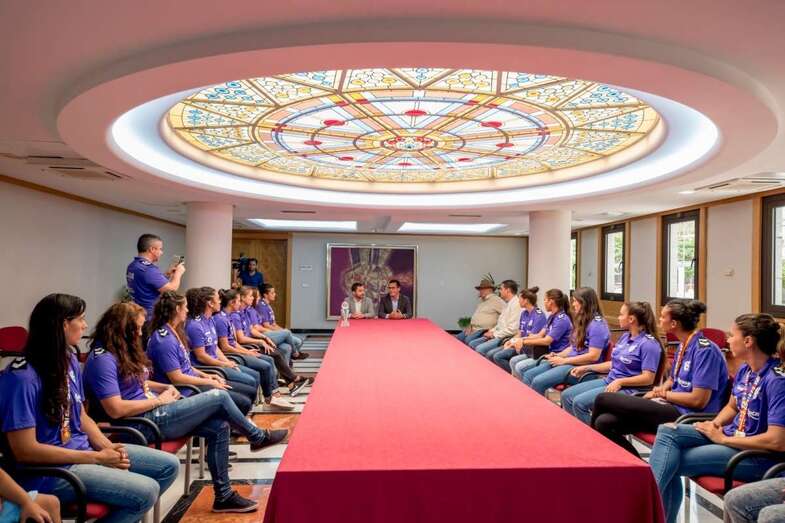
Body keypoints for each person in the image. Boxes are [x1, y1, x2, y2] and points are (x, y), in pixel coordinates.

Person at [83, 302, 287, 513]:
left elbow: (138, 383)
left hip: (153, 411)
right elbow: (116, 409)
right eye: (136, 328)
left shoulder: (121, 351)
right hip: (141, 423)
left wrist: (165, 388)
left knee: (218, 425)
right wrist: (159, 400)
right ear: (121, 329)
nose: (139, 333)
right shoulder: (103, 359)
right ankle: (256, 436)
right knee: (218, 396)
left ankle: (224, 496)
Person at [0, 294, 179, 523]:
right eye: (81, 319)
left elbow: (81, 414)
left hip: (82, 452)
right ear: (64, 324)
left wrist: (105, 446)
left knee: (168, 466)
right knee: (147, 491)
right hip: (50, 473)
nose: (85, 325)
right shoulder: (22, 378)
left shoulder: (68, 359)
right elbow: (26, 450)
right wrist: (96, 458)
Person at [649, 313, 785, 523]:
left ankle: (647, 509)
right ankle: (655, 512)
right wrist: (714, 424)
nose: (728, 339)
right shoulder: (745, 371)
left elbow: (776, 441)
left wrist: (723, 439)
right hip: (732, 437)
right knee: (668, 432)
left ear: (748, 342)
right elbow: (732, 406)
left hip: (755, 454)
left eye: (732, 335)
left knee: (670, 462)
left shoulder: (776, 380)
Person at [591, 299, 729, 457]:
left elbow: (698, 400)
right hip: (671, 404)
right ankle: (640, 468)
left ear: (674, 324)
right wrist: (662, 388)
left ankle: (590, 452)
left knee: (603, 399)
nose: (659, 320)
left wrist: (661, 394)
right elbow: (673, 379)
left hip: (686, 414)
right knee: (604, 422)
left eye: (663, 317)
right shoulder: (683, 345)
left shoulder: (705, 350)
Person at [146, 291, 257, 415]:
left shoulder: (177, 330)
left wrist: (207, 376)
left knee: (248, 391)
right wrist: (210, 380)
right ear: (177, 309)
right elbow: (177, 377)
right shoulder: (165, 339)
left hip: (197, 378)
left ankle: (240, 426)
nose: (187, 310)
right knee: (244, 399)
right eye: (185, 307)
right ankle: (249, 430)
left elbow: (187, 366)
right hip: (186, 389)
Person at [186, 287, 295, 410]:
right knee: (255, 377)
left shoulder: (210, 319)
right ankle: (263, 403)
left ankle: (271, 399)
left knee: (268, 362)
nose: (220, 302)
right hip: (212, 366)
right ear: (210, 303)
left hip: (223, 361)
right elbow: (206, 354)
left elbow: (216, 347)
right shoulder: (199, 324)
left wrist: (237, 357)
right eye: (217, 299)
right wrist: (225, 363)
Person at [561, 301, 664, 424]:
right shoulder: (625, 337)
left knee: (579, 403)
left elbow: (648, 378)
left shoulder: (648, 344)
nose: (618, 317)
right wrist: (587, 368)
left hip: (629, 389)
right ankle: (581, 432)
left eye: (621, 314)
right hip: (610, 381)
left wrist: (620, 381)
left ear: (631, 319)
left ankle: (595, 439)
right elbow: (613, 364)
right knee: (566, 395)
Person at [216, 289, 310, 397]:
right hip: (241, 350)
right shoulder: (228, 317)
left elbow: (238, 338)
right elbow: (230, 344)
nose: (254, 298)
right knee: (272, 357)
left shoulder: (234, 315)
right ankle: (276, 392)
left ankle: (290, 383)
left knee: (282, 349)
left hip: (244, 348)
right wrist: (247, 351)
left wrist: (263, 338)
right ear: (233, 302)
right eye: (238, 300)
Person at [522, 287, 610, 395]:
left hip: (581, 368)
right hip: (570, 362)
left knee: (537, 382)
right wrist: (559, 355)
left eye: (575, 301)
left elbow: (593, 356)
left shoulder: (597, 325)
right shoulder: (583, 320)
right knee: (529, 374)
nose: (573, 304)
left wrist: (564, 361)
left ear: (585, 303)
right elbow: (572, 348)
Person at [510, 288, 573, 379]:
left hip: (556, 354)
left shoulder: (561, 319)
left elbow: (547, 341)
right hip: (545, 352)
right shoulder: (552, 316)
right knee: (514, 361)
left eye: (545, 300)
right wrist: (518, 340)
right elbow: (539, 335)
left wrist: (523, 342)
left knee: (521, 367)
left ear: (551, 301)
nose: (544, 303)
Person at [126, 233, 185, 319]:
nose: (162, 252)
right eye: (160, 249)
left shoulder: (132, 265)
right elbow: (171, 289)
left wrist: (167, 274)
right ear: (152, 249)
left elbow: (147, 284)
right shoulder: (149, 269)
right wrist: (178, 273)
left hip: (137, 314)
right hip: (149, 317)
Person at [491, 287, 547, 371]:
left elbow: (533, 337)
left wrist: (514, 342)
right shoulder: (524, 313)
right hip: (520, 344)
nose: (518, 301)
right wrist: (510, 341)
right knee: (495, 354)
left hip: (531, 349)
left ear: (526, 300)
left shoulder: (539, 315)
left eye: (520, 298)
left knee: (498, 356)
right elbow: (519, 333)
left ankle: (513, 377)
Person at [252, 286, 308, 361]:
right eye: (272, 293)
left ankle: (288, 363)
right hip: (265, 333)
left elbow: (273, 324)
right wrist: (280, 332)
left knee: (292, 342)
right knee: (297, 341)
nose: (275, 294)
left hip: (267, 332)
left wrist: (282, 330)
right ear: (265, 295)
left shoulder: (267, 306)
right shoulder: (261, 306)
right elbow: (266, 326)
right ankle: (295, 354)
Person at [469, 280, 522, 358]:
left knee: (479, 349)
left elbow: (512, 329)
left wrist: (494, 334)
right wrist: (492, 331)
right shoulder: (508, 303)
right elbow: (500, 324)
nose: (499, 291)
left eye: (501, 289)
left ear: (508, 290)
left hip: (505, 337)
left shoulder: (516, 304)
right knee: (472, 344)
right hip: (498, 333)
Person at [456, 278, 505, 345]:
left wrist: (496, 330)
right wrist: (470, 325)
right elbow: (476, 316)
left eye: (482, 289)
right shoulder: (482, 301)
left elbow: (507, 315)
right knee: (457, 338)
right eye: (480, 289)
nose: (480, 291)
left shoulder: (497, 300)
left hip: (483, 330)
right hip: (473, 328)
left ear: (489, 290)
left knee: (468, 340)